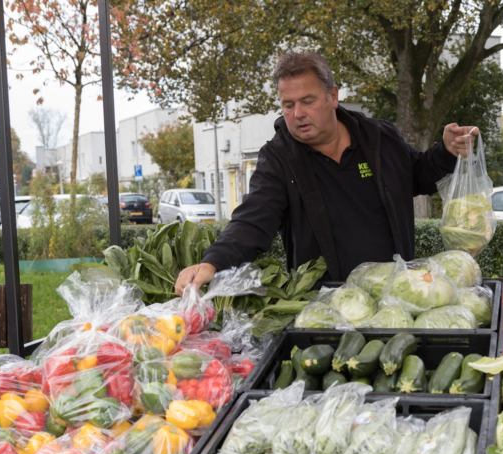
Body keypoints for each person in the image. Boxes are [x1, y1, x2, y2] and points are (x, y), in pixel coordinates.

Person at [175, 51, 478, 295]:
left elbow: (417, 173)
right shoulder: (279, 158)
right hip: (325, 306)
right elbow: (253, 220)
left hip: (397, 296)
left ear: (333, 96)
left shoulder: (379, 138)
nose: (297, 114)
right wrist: (213, 262)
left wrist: (446, 151)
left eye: (307, 101)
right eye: (288, 105)